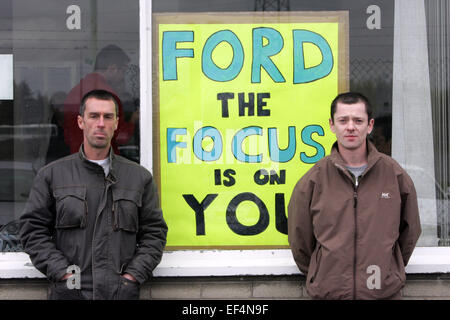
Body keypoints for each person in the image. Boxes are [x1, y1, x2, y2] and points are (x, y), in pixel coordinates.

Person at [19, 89, 167, 300]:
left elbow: (155, 233)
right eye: (94, 116)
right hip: (70, 293)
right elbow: (32, 231)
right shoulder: (53, 175)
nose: (101, 123)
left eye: (108, 117)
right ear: (81, 122)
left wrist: (132, 277)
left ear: (116, 123)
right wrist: (65, 276)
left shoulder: (139, 178)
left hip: (120, 293)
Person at [288, 92, 421, 300]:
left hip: (382, 293)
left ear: (369, 125)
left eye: (358, 120)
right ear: (332, 125)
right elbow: (300, 238)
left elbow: (410, 230)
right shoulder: (315, 179)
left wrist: (390, 267)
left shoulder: (394, 175)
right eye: (343, 120)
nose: (351, 127)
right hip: (329, 294)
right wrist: (320, 272)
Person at [63, 44, 139, 155]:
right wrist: (133, 120)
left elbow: (67, 134)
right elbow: (121, 137)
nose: (123, 77)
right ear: (112, 69)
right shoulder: (109, 98)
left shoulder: (75, 92)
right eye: (123, 71)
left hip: (75, 158)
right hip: (105, 161)